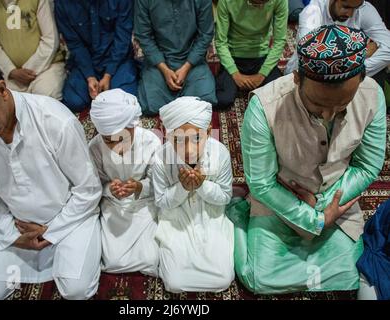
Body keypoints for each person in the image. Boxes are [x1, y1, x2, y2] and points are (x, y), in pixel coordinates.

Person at [228, 25, 386, 294]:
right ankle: (241, 213)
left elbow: (367, 166)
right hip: (279, 200)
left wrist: (324, 207)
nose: (327, 115)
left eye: (341, 106)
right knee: (259, 279)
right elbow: (262, 183)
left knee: (350, 276)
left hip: (337, 199)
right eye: (317, 105)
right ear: (297, 78)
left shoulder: (372, 95)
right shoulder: (265, 106)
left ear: (360, 79)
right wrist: (313, 219)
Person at [0, 42, 103, 300]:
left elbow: (88, 189)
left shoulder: (55, 120)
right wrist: (9, 231)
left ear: (2, 90)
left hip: (68, 219)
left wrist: (53, 230)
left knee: (76, 289)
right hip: (17, 226)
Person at [153, 97, 234, 292]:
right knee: (174, 283)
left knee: (222, 279)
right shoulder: (161, 158)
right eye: (178, 140)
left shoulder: (220, 153)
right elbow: (161, 202)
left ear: (207, 133)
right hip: (176, 220)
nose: (189, 149)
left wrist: (202, 186)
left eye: (197, 138)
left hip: (210, 216)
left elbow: (225, 197)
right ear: (167, 135)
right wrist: (182, 188)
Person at [89, 89, 160, 276]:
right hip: (113, 205)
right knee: (113, 262)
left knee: (151, 259)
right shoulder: (95, 148)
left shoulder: (151, 142)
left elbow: (158, 183)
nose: (115, 146)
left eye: (121, 139)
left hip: (143, 203)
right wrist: (109, 190)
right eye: (108, 141)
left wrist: (138, 187)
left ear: (133, 126)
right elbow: (93, 184)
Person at [134, 0, 217, 115]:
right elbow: (143, 36)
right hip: (159, 62)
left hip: (192, 60)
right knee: (150, 106)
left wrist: (186, 67)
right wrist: (164, 69)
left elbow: (206, 34)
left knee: (205, 100)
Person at [285, 0, 390, 89]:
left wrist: (355, 73)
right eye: (346, 7)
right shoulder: (312, 12)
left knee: (377, 77)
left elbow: (388, 46)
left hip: (344, 77)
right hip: (307, 77)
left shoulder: (363, 8)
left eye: (355, 8)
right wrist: (362, 53)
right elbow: (313, 59)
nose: (351, 14)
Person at [55, 0, 138, 113]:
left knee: (124, 101)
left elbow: (122, 38)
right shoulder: (63, 4)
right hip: (86, 62)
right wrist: (90, 76)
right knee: (73, 102)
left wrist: (108, 74)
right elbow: (75, 43)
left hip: (118, 60)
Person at [0, 0, 66, 100]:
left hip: (47, 67)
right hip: (12, 75)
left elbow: (51, 39)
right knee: (7, 103)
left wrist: (27, 71)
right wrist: (11, 71)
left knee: (44, 98)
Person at [215, 0, 288, 109]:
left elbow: (279, 41)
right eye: (254, 3)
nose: (259, 7)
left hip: (262, 56)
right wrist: (235, 73)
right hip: (233, 55)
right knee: (222, 100)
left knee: (282, 99)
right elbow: (220, 42)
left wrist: (262, 74)